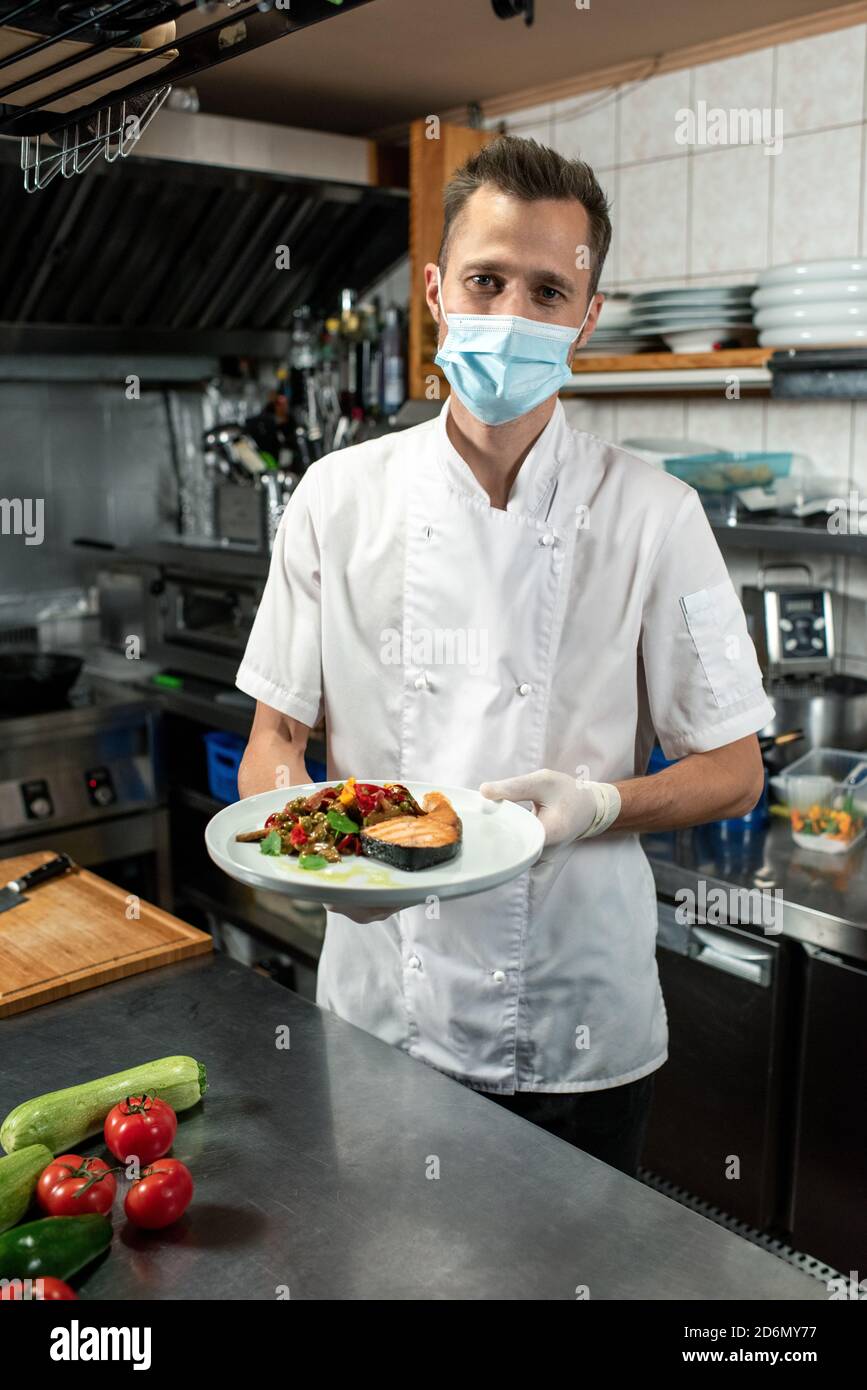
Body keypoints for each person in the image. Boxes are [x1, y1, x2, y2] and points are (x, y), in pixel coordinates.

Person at [235, 135, 773, 1177]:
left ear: (587, 315)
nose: (512, 315)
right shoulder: (335, 500)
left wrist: (598, 805)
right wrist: (316, 852)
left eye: (547, 289)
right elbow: (274, 740)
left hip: (577, 1023)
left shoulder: (659, 518)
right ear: (437, 290)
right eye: (487, 280)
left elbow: (736, 768)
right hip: (382, 1006)